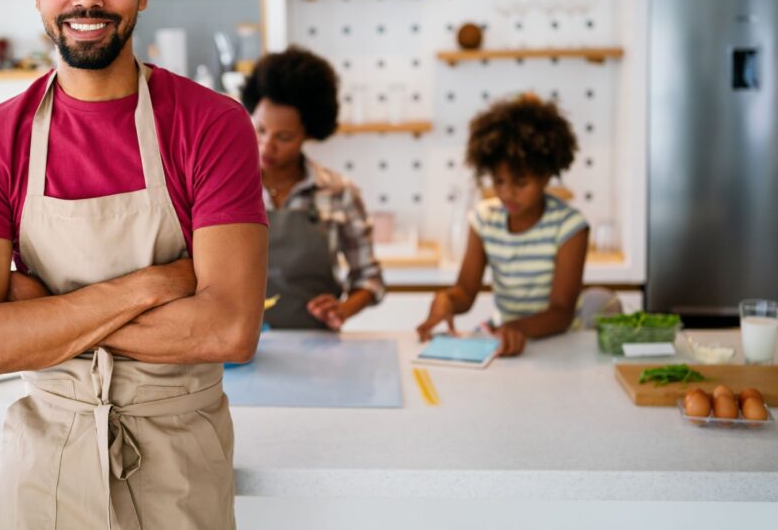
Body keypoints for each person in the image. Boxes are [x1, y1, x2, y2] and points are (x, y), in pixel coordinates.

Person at [0, 0, 267, 530]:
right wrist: (156, 285)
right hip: (44, 470)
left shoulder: (212, 126)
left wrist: (40, 320)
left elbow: (231, 329)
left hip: (179, 470)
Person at [416, 94, 589, 356]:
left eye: (520, 183)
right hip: (507, 339)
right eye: (499, 181)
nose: (507, 194)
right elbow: (466, 291)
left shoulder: (569, 227)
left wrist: (515, 328)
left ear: (545, 175)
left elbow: (561, 312)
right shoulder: (485, 218)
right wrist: (447, 300)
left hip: (557, 345)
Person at [240, 46, 385, 330]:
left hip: (315, 346)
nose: (267, 145)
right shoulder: (224, 187)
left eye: (284, 137)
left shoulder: (339, 192)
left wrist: (342, 309)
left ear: (309, 134)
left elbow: (369, 278)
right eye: (260, 130)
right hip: (240, 350)